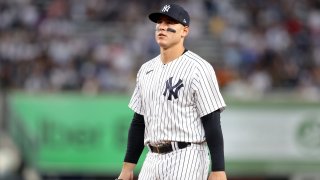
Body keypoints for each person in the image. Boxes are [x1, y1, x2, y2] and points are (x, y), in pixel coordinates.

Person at [117, 3, 227, 180]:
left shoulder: (198, 68)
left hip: (187, 155)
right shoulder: (146, 70)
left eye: (170, 22)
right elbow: (139, 122)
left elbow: (212, 121)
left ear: (184, 31)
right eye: (159, 22)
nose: (162, 26)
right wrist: (127, 167)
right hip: (152, 157)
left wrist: (218, 169)